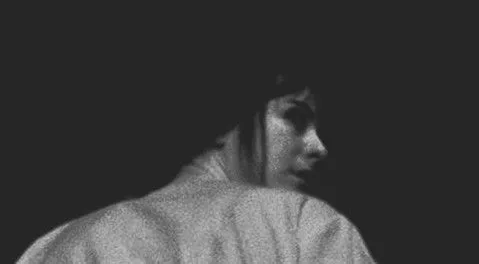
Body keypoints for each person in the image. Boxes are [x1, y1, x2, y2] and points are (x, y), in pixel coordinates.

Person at [17, 65, 376, 262]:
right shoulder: (303, 228)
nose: (318, 146)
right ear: (226, 118)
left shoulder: (53, 247)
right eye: (295, 118)